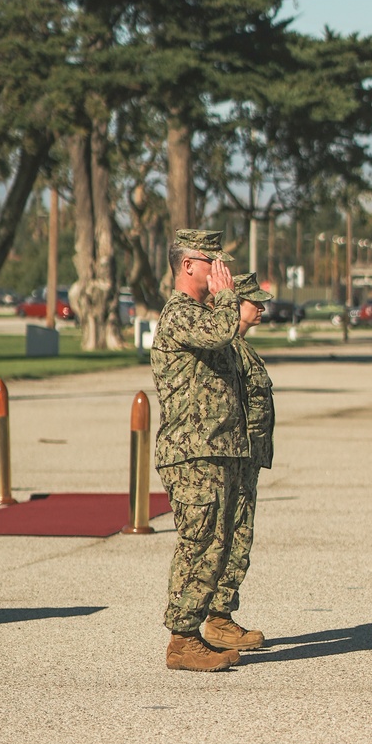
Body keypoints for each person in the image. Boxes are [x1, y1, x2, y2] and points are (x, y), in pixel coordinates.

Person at [150, 228, 254, 672]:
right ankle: (183, 637)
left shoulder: (199, 312)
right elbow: (220, 332)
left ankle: (193, 631)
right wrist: (229, 298)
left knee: (216, 541)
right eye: (211, 262)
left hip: (215, 449)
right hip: (191, 452)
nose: (220, 271)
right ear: (187, 265)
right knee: (199, 541)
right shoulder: (180, 314)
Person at [210, 273, 275, 638]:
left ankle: (223, 613)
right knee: (229, 534)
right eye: (254, 301)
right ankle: (217, 618)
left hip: (248, 455)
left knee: (240, 534)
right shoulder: (227, 347)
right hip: (235, 455)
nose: (261, 307)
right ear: (234, 305)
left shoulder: (241, 346)